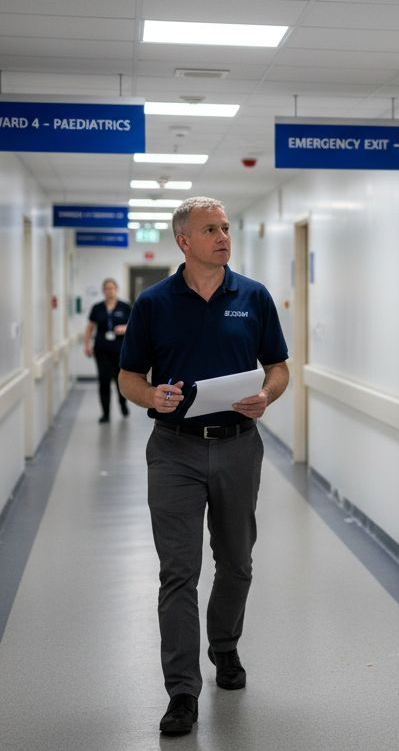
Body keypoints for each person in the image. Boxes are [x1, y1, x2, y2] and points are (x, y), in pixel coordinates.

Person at [117, 196, 289, 736]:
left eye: (226, 228)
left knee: (236, 562)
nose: (223, 237)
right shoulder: (153, 303)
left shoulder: (253, 297)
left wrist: (266, 394)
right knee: (179, 572)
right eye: (210, 229)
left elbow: (279, 367)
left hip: (239, 445)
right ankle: (182, 691)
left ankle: (225, 646)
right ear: (184, 241)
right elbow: (128, 378)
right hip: (174, 450)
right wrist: (152, 396)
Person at [83, 278, 131, 423]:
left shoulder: (124, 306)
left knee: (120, 381)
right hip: (102, 350)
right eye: (107, 288)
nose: (109, 291)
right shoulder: (97, 308)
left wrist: (125, 328)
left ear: (116, 289)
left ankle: (123, 404)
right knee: (104, 381)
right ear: (103, 291)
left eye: (112, 288)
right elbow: (90, 327)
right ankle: (105, 413)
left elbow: (134, 326)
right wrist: (87, 345)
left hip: (120, 351)